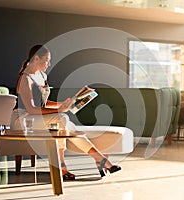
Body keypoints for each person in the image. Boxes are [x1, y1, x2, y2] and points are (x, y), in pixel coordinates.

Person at [10, 44, 121, 180]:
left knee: (62, 119)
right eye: (47, 60)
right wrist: (58, 110)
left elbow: (44, 103)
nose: (49, 64)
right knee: (61, 118)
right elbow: (31, 109)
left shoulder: (42, 75)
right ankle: (97, 159)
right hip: (23, 119)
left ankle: (80, 162)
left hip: (34, 117)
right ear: (36, 58)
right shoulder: (25, 78)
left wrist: (62, 104)